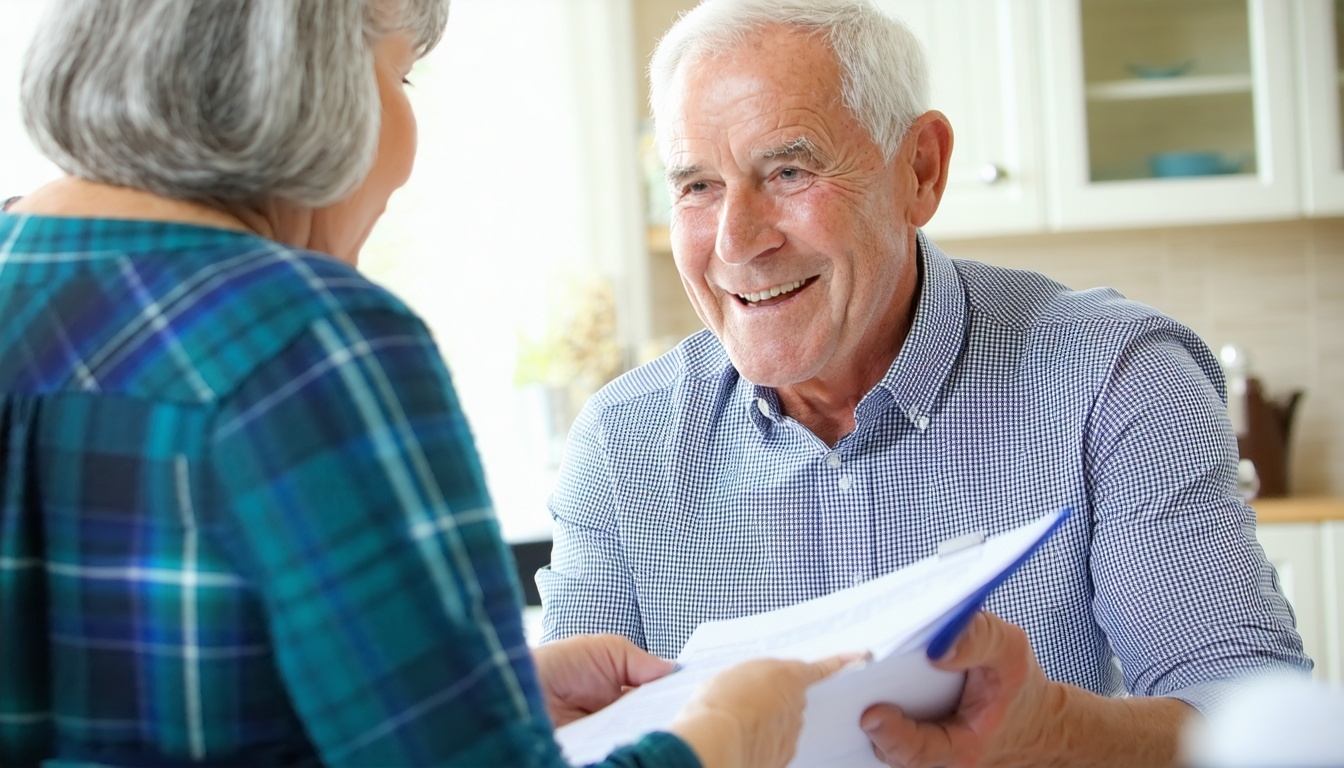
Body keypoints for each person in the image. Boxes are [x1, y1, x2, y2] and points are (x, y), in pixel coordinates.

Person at [0, 1, 852, 766]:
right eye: (400, 74)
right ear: (309, 79)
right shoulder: (309, 338)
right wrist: (734, 730)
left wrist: (482, 699)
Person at [537, 0, 1314, 765]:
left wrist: (1056, 733)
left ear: (920, 169)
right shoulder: (619, 445)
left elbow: (1258, 731)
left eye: (788, 169)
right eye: (697, 186)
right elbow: (565, 746)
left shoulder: (1113, 381)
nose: (737, 244)